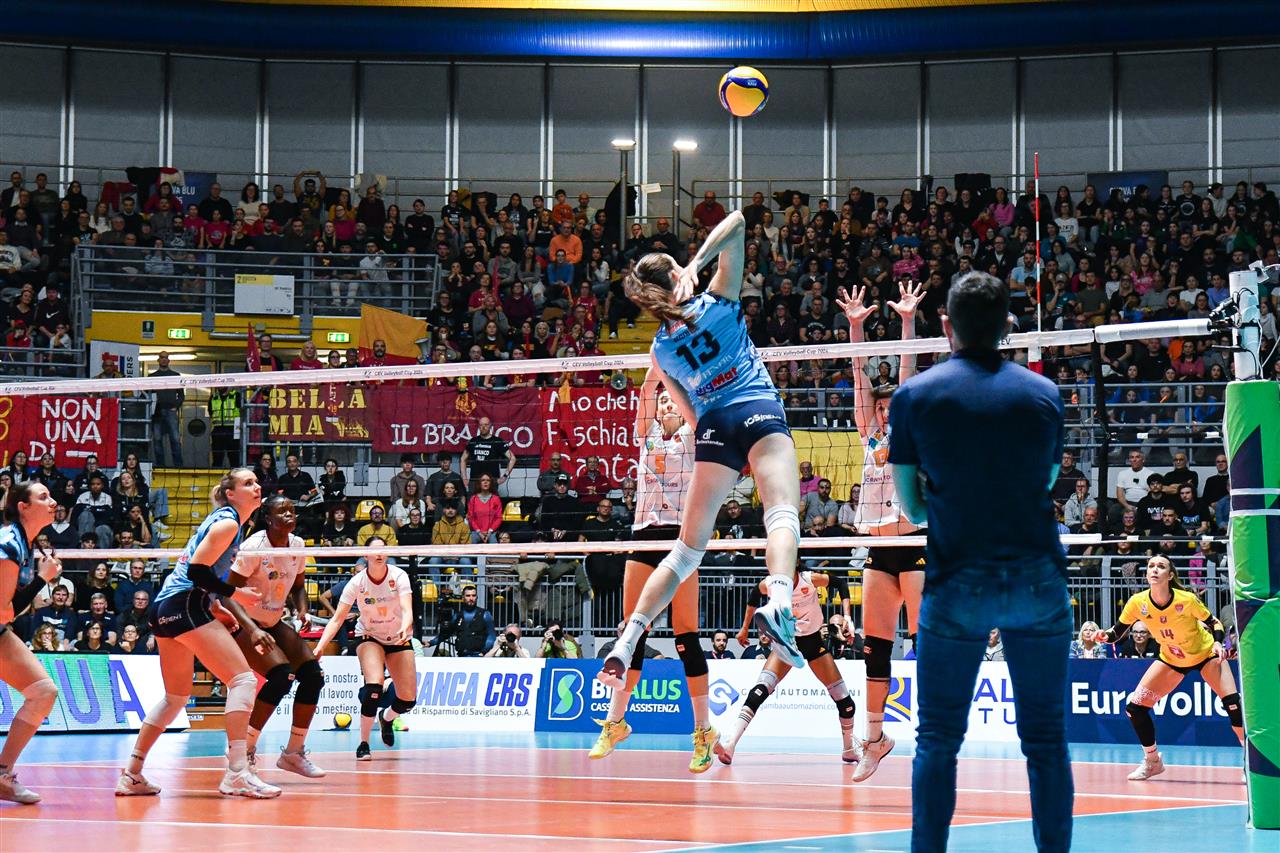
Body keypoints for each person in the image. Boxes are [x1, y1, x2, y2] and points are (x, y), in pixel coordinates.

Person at [599, 212, 805, 765]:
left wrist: (724, 452)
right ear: (677, 275)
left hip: (713, 426)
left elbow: (689, 417)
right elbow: (737, 221)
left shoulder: (660, 350)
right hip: (756, 406)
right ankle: (779, 600)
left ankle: (628, 637)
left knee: (686, 551)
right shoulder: (718, 299)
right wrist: (697, 263)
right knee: (781, 511)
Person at [887, 272, 1073, 853]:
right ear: (1006, 326)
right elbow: (1045, 481)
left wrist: (950, 498)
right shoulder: (1044, 395)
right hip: (1037, 578)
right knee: (1046, 739)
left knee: (938, 739)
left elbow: (912, 507)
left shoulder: (914, 397)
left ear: (947, 325)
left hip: (956, 580)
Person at [115, 468, 281, 799]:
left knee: (175, 697)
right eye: (248, 483)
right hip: (184, 604)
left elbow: (196, 572)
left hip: (165, 608)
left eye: (257, 481)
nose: (257, 486)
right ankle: (237, 773)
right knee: (243, 680)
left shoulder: (226, 522)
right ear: (230, 494)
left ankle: (132, 774)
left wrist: (215, 606)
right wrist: (236, 595)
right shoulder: (228, 523)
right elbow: (196, 572)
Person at [834, 280, 925, 783]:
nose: (886, 408)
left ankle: (936, 733)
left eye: (892, 404)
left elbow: (906, 379)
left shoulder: (911, 430)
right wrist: (855, 329)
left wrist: (908, 321)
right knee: (875, 650)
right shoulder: (869, 434)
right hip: (877, 549)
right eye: (881, 404)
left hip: (914, 546)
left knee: (927, 642)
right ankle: (875, 739)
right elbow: (858, 379)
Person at [1095, 555, 1243, 780]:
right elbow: (1116, 633)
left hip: (1206, 654)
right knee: (1135, 708)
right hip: (1172, 659)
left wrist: (1217, 642)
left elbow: (1214, 622)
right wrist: (1103, 636)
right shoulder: (1137, 602)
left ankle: (1251, 761)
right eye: (1151, 566)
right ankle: (1153, 761)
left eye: (1161, 566)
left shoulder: (1187, 599)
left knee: (1233, 705)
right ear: (1146, 574)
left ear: (1170, 575)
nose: (1154, 569)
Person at [219, 496, 327, 779]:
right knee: (281, 676)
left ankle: (293, 753)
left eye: (292, 510)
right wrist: (253, 630)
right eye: (282, 511)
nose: (289, 514)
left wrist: (303, 610)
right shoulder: (253, 548)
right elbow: (227, 595)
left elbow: (299, 587)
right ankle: (245, 749)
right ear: (268, 519)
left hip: (273, 620)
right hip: (244, 622)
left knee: (313, 676)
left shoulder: (298, 545)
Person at [719, 570, 860, 765]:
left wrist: (847, 617)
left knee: (846, 702)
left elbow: (841, 583)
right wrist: (744, 628)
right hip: (786, 645)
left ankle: (849, 750)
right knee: (760, 690)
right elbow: (754, 594)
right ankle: (730, 743)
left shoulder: (809, 579)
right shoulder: (772, 583)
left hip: (813, 644)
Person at [312, 537, 416, 761]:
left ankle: (386, 718)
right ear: (365, 554)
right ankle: (364, 743)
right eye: (374, 551)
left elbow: (407, 609)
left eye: (382, 550)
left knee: (408, 700)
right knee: (373, 687)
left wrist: (406, 624)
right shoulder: (356, 583)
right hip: (369, 636)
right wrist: (319, 647)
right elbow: (337, 619)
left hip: (397, 637)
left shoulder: (399, 576)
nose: (379, 554)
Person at [0, 482, 62, 803]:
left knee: (43, 692)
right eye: (43, 497)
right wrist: (42, 579)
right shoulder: (9, 544)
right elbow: (4, 609)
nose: (52, 501)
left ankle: (2, 774)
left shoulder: (26, 542)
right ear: (23, 507)